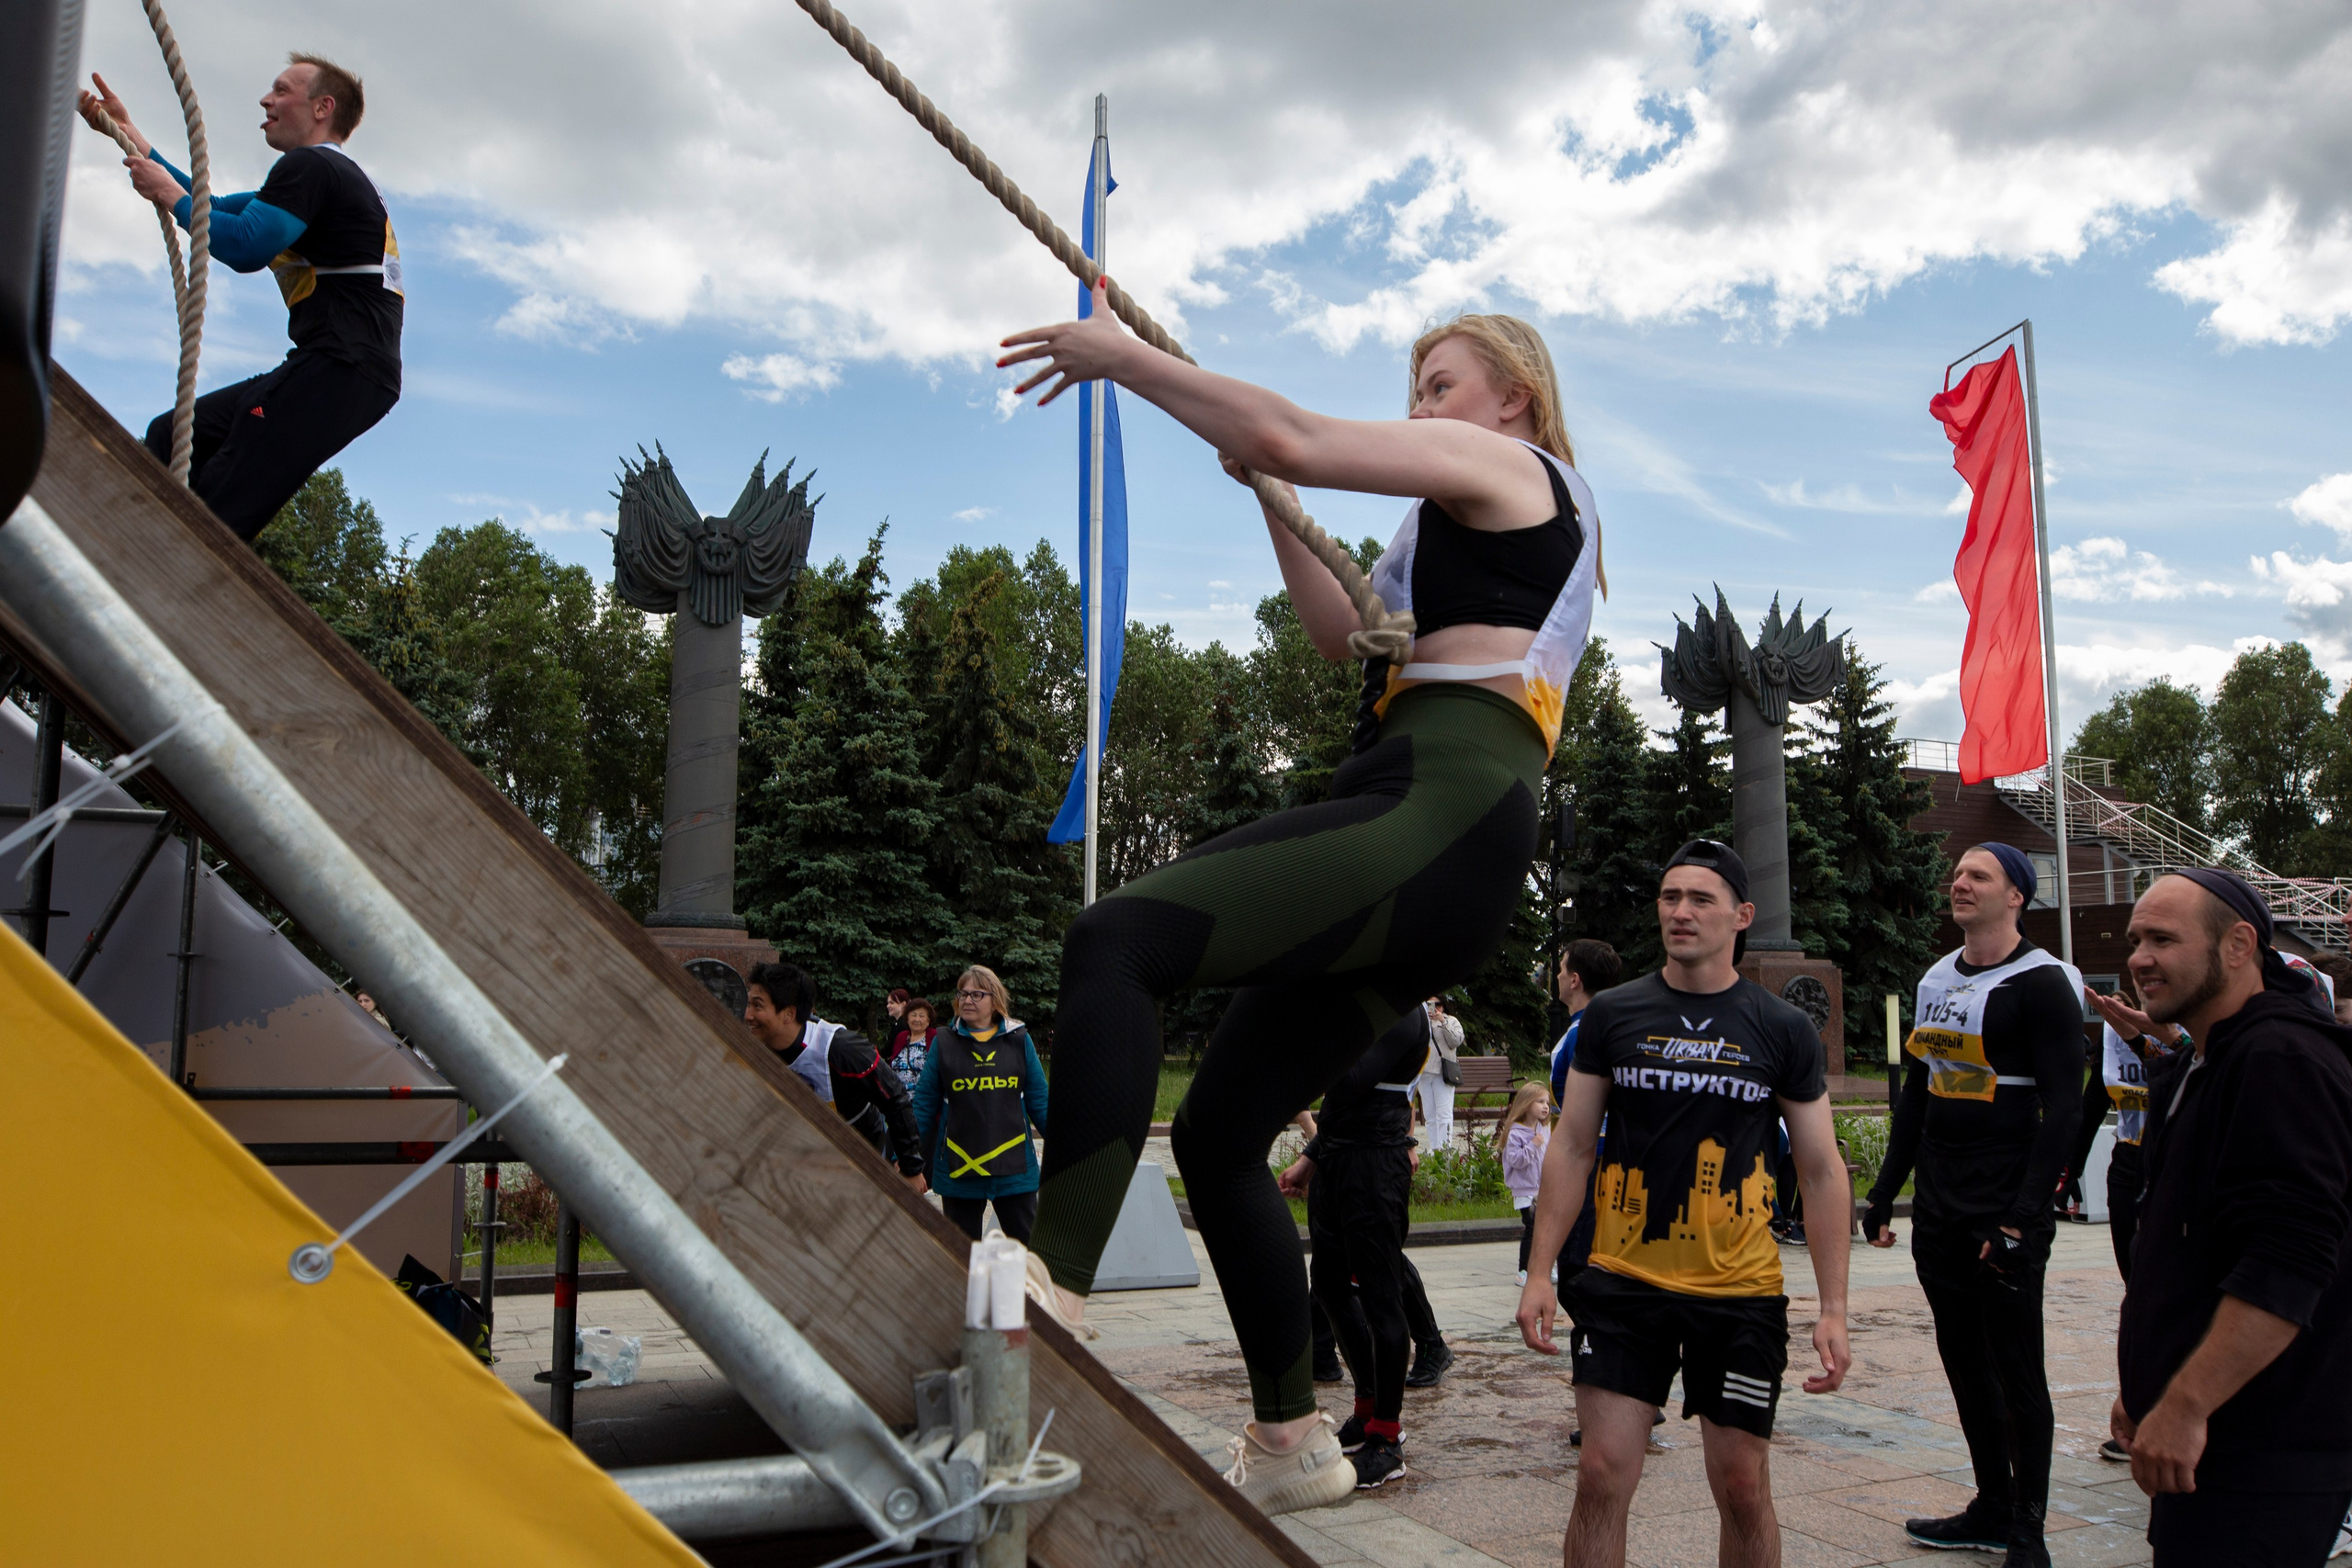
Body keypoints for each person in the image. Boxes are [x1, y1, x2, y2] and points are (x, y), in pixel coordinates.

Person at [999, 293, 1600, 1517]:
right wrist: (1270, 503)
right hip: (1434, 828)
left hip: (1442, 803)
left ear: (1512, 399)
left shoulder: (1514, 470)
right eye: (1418, 384)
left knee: (1114, 940)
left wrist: (1125, 361)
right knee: (1222, 1136)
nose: (1422, 403)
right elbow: (1343, 636)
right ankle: (1292, 1435)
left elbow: (1295, 431)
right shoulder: (1438, 535)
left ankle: (1048, 1287)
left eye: (1440, 381)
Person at [1517, 840, 1850, 1568]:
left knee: (1741, 1485)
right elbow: (1572, 1146)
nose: (1681, 911)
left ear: (1742, 915)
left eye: (1701, 898)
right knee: (1601, 1475)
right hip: (1623, 1284)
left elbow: (1822, 1169)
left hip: (1739, 1295)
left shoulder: (1781, 1027)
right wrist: (1540, 1269)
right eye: (1670, 897)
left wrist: (1833, 1306)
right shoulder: (1615, 1015)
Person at [2110, 869, 2352, 1566]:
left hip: (2264, 1446)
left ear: (2240, 944)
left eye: (2163, 938)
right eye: (2134, 939)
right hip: (2218, 1443)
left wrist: (2185, 1404)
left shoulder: (2281, 1060)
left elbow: (2289, 1262)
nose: (2139, 958)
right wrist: (2147, 1387)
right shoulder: (2207, 1058)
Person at [1861, 843, 2084, 1568]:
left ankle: (2029, 1527)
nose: (1959, 882)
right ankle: (1990, 1503)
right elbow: (1918, 1097)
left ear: (2016, 895)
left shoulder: (2045, 981)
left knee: (2017, 1368)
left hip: (2004, 1204)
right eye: (1957, 874)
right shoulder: (1934, 978)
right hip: (1942, 1202)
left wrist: (2022, 1215)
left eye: (1978, 874)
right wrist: (1885, 1191)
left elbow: (2066, 1108)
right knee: (1963, 1360)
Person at [79, 57, 401, 542]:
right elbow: (210, 207)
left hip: (342, 367)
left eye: (281, 90)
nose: (265, 100)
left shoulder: (311, 168)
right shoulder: (318, 175)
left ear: (322, 107)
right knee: (172, 435)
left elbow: (243, 246)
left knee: (222, 499)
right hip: (339, 369)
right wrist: (130, 136)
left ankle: (175, 575)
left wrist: (168, 195)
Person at [1277, 1009, 1435, 1489]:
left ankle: (1387, 1439)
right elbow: (1340, 1104)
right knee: (1327, 1286)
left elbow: (1350, 1080)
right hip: (1339, 1161)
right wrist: (1311, 1158)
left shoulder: (1404, 1011)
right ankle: (1367, 1410)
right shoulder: (1368, 1004)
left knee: (1381, 1298)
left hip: (1374, 1168)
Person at [743, 961, 926, 1190]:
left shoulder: (841, 1048)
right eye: (748, 1004)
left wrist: (912, 1169)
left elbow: (895, 1098)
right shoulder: (752, 1049)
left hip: (859, 1160)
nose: (748, 1015)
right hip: (795, 1163)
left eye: (757, 1006)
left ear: (789, 1013)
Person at [910, 966, 1049, 1245]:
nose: (967, 1000)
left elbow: (1041, 1103)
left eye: (976, 994)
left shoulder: (1019, 1039)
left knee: (1029, 1255)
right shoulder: (944, 1042)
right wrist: (906, 1161)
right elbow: (923, 1106)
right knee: (962, 1259)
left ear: (995, 1000)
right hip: (959, 1172)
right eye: (962, 994)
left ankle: (1027, 1292)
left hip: (1015, 1171)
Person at [1501, 1081, 1552, 1285]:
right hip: (1526, 1191)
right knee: (1532, 1228)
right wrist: (1533, 1145)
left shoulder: (1543, 1128)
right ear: (1526, 1104)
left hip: (1542, 1188)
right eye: (1540, 1101)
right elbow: (1516, 1161)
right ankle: (1524, 1270)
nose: (1545, 1106)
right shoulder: (1516, 1133)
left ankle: (1544, 1267)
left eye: (1547, 1102)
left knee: (1546, 1229)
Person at [1414, 996, 1464, 1153]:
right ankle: (1435, 1148)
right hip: (1424, 1072)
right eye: (1431, 1004)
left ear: (1444, 1006)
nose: (1435, 1008)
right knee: (1429, 1115)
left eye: (1439, 1004)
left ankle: (1445, 1149)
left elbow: (1456, 1041)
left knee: (1444, 1114)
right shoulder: (1421, 1021)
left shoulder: (1451, 1021)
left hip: (1443, 1073)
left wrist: (1442, 1021)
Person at [889, 996, 940, 1088]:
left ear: (928, 1021)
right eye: (913, 1015)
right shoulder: (901, 1037)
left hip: (923, 1096)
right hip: (899, 1097)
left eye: (922, 1016)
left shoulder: (935, 1037)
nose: (917, 1019)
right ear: (907, 1018)